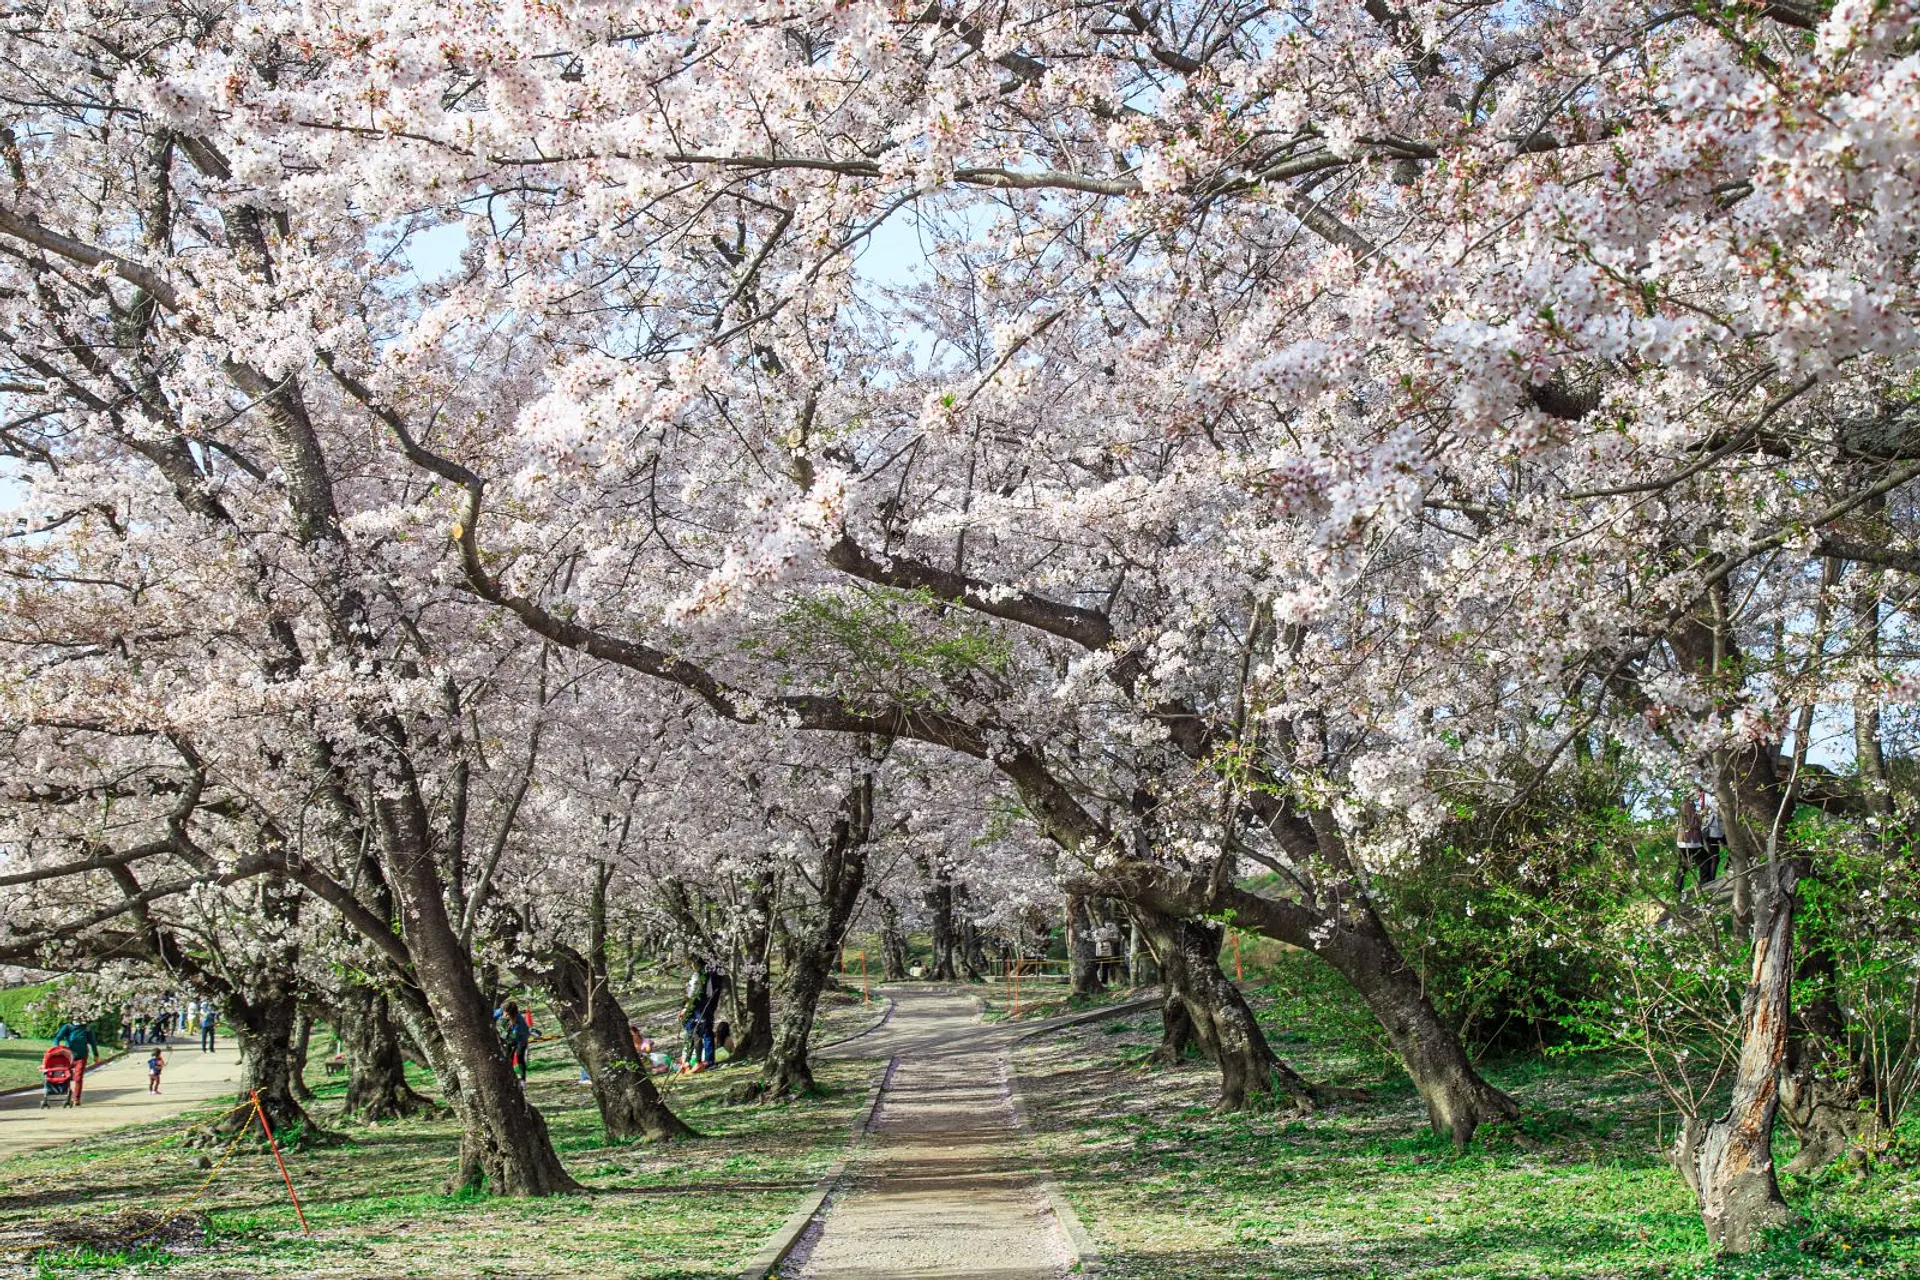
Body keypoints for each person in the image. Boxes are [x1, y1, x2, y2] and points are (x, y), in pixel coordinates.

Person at [54, 1020, 98, 1105]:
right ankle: (67, 1094)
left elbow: (92, 1042)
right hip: (68, 1056)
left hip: (82, 1056)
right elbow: (57, 1038)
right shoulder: (68, 1027)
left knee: (78, 1078)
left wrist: (96, 1055)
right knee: (65, 1077)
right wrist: (57, 1047)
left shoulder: (87, 1028)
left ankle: (76, 1098)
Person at [500, 1000, 533, 1084]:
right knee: (508, 1057)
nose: (505, 1015)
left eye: (507, 1014)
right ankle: (510, 1077)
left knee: (519, 1056)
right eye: (504, 1013)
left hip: (521, 1039)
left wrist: (509, 1039)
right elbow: (503, 1030)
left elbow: (516, 1034)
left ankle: (523, 1080)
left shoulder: (519, 1020)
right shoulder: (504, 1017)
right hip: (510, 1038)